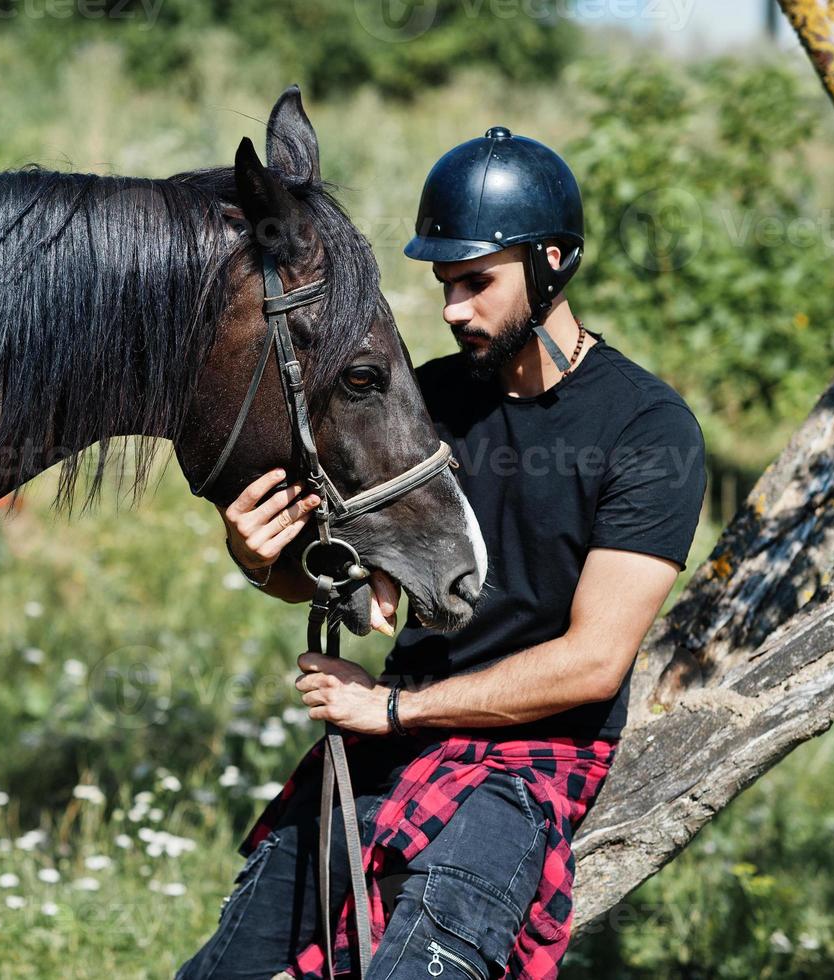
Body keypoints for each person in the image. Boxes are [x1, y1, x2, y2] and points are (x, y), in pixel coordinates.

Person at [179, 127, 707, 980]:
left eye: (475, 282)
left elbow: (591, 663)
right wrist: (257, 558)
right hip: (396, 730)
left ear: (552, 263)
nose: (453, 308)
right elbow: (360, 594)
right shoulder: (417, 399)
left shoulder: (646, 428)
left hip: (533, 757)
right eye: (442, 284)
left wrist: (391, 712)